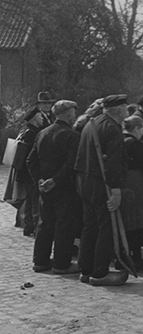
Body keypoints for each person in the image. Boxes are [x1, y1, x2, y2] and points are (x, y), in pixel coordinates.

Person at [74, 94, 129, 286]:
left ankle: (86, 269)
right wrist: (116, 191)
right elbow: (114, 163)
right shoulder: (112, 129)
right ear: (119, 110)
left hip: (84, 181)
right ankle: (99, 272)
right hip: (101, 184)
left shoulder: (92, 122)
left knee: (90, 226)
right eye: (126, 108)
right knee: (106, 227)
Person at [26, 100, 81, 274]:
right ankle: (61, 263)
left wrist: (40, 180)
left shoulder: (42, 133)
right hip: (64, 187)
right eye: (73, 112)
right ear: (67, 114)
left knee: (45, 224)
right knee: (64, 225)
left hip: (45, 188)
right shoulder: (71, 136)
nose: (74, 116)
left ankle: (40, 261)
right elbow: (72, 164)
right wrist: (55, 180)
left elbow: (30, 160)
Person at [11, 92, 55, 235]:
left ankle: (28, 224)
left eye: (49, 103)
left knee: (31, 198)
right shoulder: (32, 131)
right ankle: (32, 225)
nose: (47, 106)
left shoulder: (49, 119)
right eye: (44, 103)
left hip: (30, 167)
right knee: (33, 198)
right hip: (30, 168)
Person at [121, 115, 143, 271]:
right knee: (137, 222)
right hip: (136, 185)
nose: (142, 132)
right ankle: (136, 258)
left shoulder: (119, 141)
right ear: (136, 128)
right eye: (142, 129)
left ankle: (123, 256)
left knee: (125, 221)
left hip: (122, 184)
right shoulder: (136, 144)